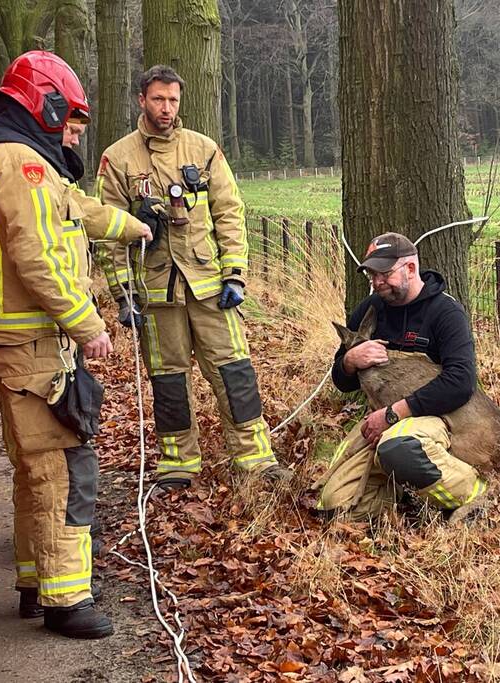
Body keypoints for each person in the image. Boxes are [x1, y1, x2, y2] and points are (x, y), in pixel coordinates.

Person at [0, 50, 147, 639]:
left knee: (32, 468)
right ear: (45, 104)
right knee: (63, 468)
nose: (72, 133)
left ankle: (34, 582)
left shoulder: (4, 159)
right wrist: (88, 324)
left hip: (18, 341)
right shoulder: (22, 164)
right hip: (34, 341)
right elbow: (38, 256)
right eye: (70, 120)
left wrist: (134, 225)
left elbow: (75, 212)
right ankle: (66, 602)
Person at [96, 65, 291, 491]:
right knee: (168, 379)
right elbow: (107, 233)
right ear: (140, 100)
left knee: (234, 371)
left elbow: (230, 213)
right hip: (156, 289)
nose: (166, 108)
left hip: (208, 285)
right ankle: (178, 462)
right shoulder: (119, 158)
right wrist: (123, 294)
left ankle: (256, 457)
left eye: (173, 100)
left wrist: (235, 274)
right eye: (158, 99)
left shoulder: (203, 150)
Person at [315, 233, 497, 522]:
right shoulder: (369, 310)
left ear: (410, 269)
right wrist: (350, 361)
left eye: (384, 274)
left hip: (438, 417)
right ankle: (399, 489)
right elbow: (342, 382)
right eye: (372, 275)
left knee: (398, 447)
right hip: (383, 420)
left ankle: (476, 491)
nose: (377, 282)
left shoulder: (445, 312)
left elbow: (461, 382)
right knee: (335, 505)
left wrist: (393, 414)